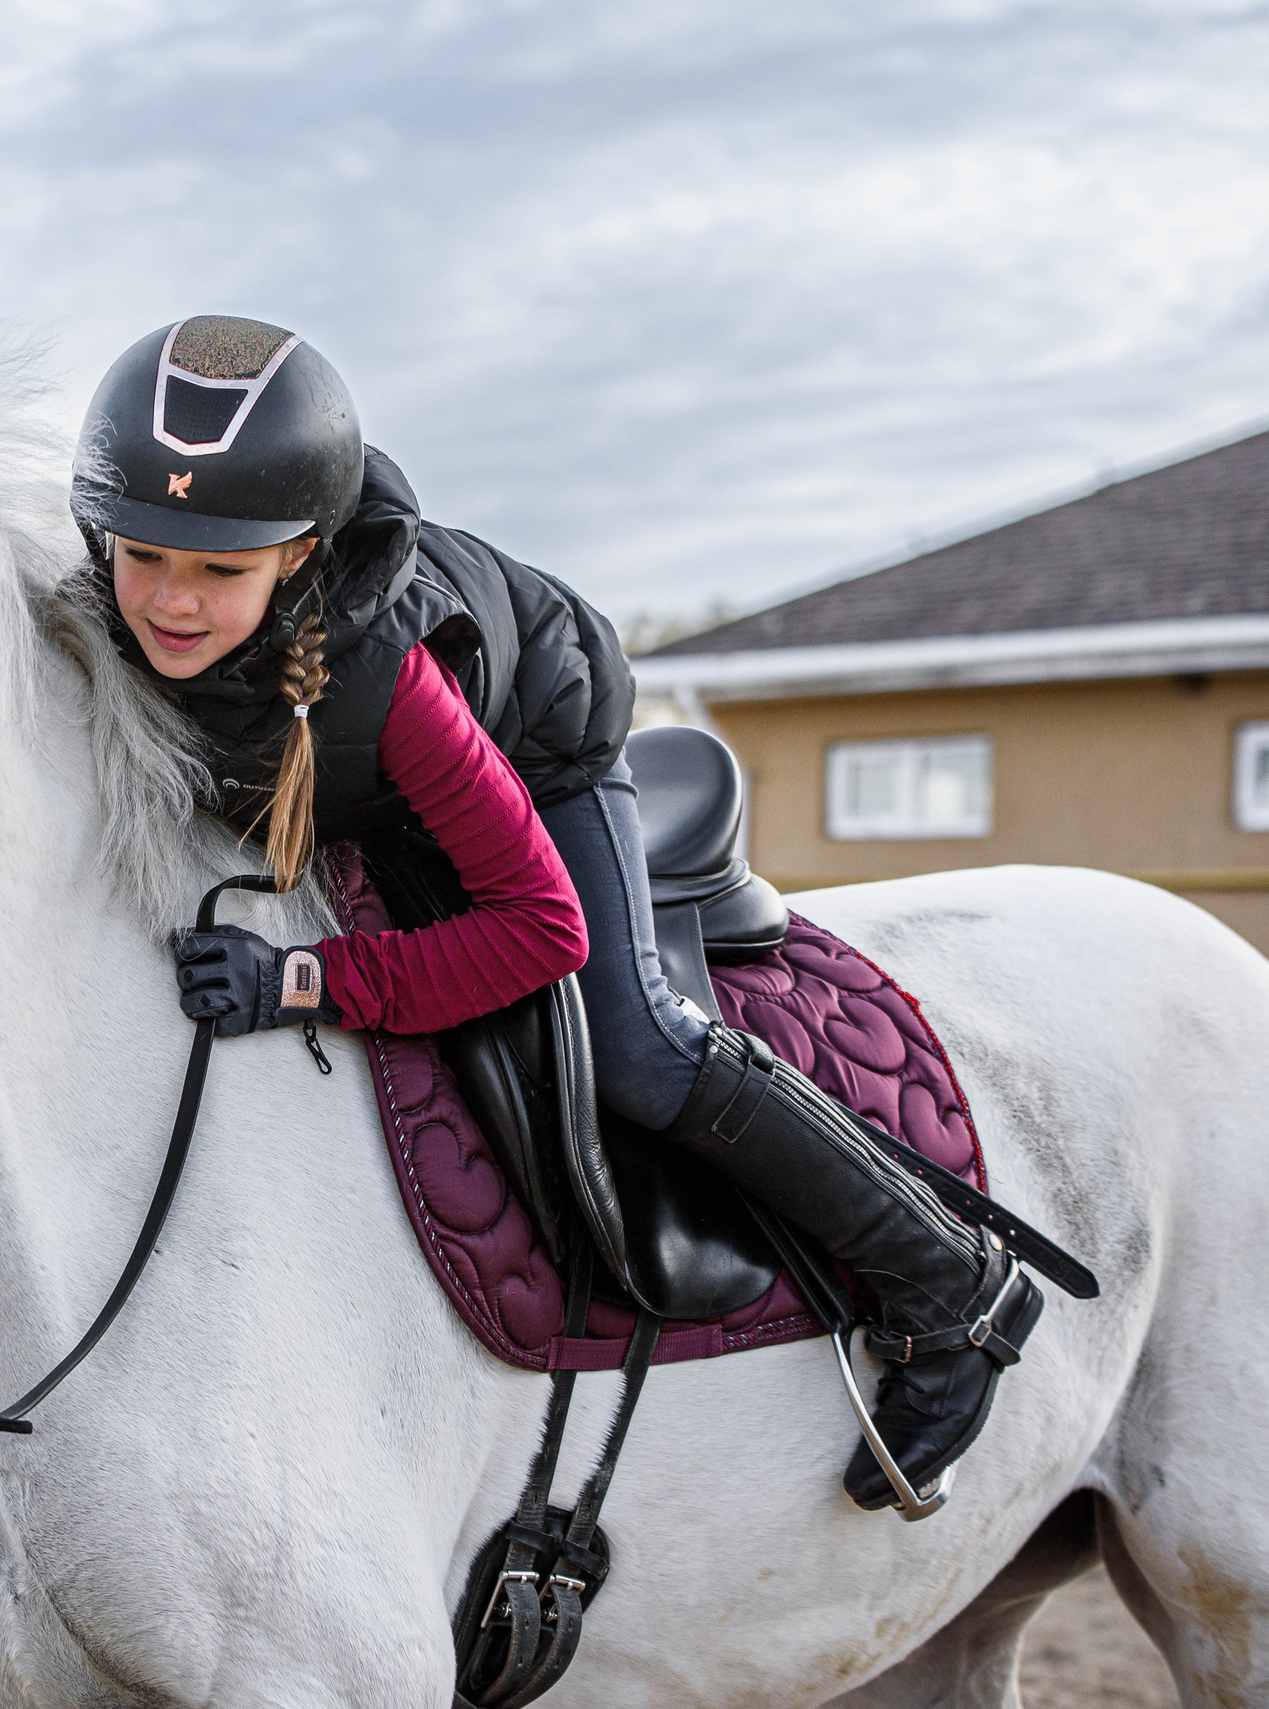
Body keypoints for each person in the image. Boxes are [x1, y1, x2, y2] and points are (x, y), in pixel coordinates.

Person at [71, 315, 1041, 1514]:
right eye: (143, 553)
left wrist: (304, 981)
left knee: (634, 1041)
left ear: (304, 555)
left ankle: (950, 1279)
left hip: (536, 748)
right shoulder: (105, 602)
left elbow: (539, 931)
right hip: (349, 773)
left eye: (220, 571)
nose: (170, 600)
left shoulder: (391, 683)